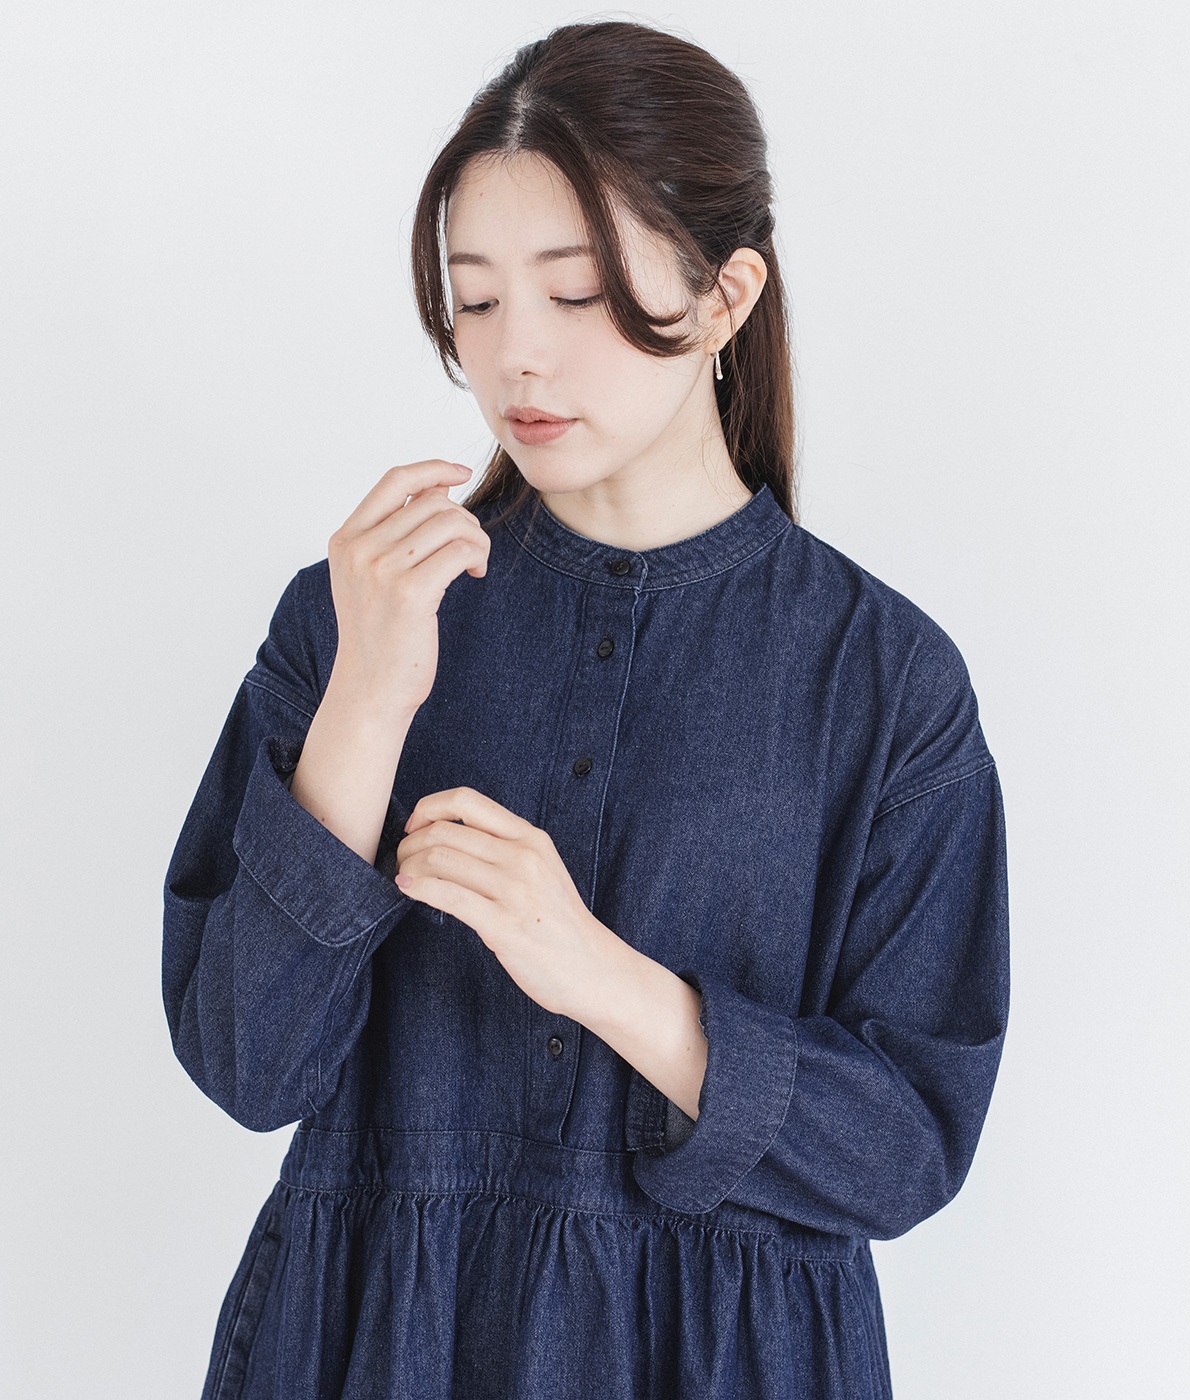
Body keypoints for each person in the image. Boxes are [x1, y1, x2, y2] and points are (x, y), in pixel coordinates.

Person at [162, 19, 1009, 1399]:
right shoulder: (357, 612)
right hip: (379, 1345)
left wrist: (603, 977)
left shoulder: (882, 681)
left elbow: (908, 1146)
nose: (519, 360)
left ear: (726, 298)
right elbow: (247, 1066)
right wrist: (367, 703)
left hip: (721, 1360)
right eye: (476, 301)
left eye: (574, 294)